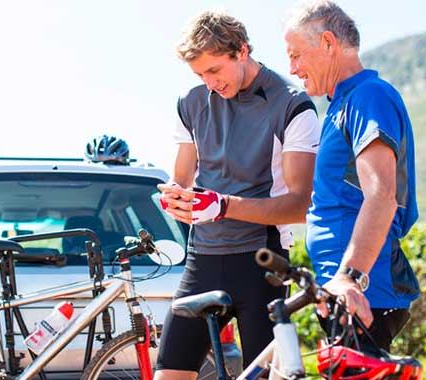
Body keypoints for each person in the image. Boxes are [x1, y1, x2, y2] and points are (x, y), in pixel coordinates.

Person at [155, 11, 320, 379]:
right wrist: (175, 199)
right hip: (204, 259)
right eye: (200, 75)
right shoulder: (192, 103)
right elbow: (181, 179)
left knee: (261, 376)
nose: (210, 83)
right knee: (169, 373)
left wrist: (223, 205)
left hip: (261, 262)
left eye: (215, 71)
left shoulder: (292, 105)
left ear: (241, 50)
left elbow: (300, 204)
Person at [283, 0, 420, 351]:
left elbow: (381, 194)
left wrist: (350, 277)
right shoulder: (339, 105)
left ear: (328, 43)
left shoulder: (368, 97)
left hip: (360, 294)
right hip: (344, 292)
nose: (292, 68)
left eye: (297, 55)